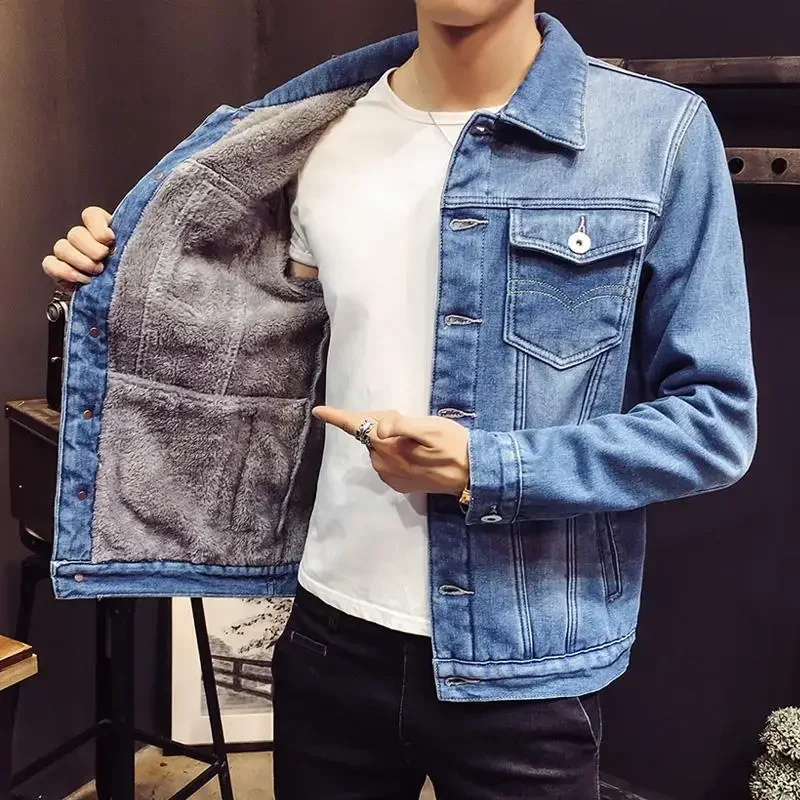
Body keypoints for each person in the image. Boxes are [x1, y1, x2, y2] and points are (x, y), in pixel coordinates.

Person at [42, 2, 757, 798]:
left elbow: (715, 421)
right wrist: (119, 272)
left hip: (525, 665)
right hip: (328, 640)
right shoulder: (317, 136)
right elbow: (251, 347)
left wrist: (485, 467)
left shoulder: (655, 135)